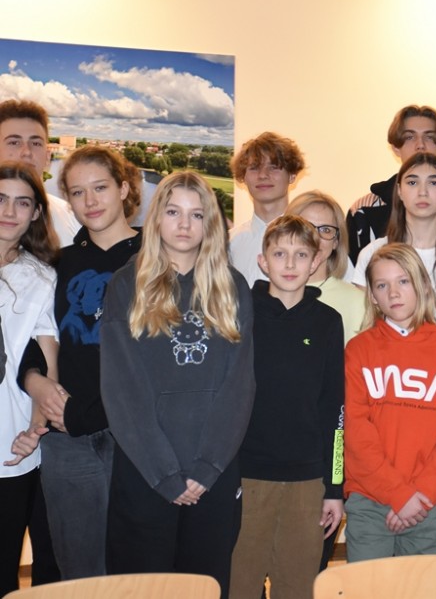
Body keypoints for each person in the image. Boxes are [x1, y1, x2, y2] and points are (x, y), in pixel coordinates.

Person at [100, 171, 255, 596]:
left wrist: (208, 468)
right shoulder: (125, 285)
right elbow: (123, 391)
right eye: (173, 212)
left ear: (211, 224)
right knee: (142, 589)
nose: (184, 224)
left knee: (204, 588)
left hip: (213, 475)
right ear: (156, 219)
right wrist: (164, 474)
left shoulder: (233, 287)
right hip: (145, 472)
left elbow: (239, 388)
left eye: (196, 214)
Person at [16, 146, 141, 580]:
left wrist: (86, 415)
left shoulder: (157, 258)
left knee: (137, 571)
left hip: (137, 437)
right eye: (77, 192)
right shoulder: (58, 264)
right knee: (79, 571)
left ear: (123, 188)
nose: (90, 201)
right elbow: (33, 340)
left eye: (100, 188)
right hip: (68, 439)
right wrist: (34, 379)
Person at [229, 215, 345, 598]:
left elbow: (335, 411)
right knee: (239, 585)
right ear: (263, 261)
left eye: (301, 255)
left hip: (307, 484)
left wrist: (334, 488)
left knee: (297, 588)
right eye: (280, 254)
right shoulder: (242, 315)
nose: (290, 264)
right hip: (247, 477)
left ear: (316, 261)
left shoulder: (328, 322)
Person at [343, 243, 436, 561]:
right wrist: (399, 495)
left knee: (419, 585)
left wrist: (420, 495)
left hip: (429, 500)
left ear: (422, 285)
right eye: (382, 285)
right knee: (368, 586)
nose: (393, 293)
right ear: (372, 296)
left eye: (403, 281)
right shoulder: (358, 350)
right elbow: (356, 433)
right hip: (370, 499)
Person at [0, 163, 59, 595]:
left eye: (22, 203)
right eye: (0, 199)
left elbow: (48, 360)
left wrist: (36, 428)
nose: (9, 211)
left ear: (36, 212)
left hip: (11, 447)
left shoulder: (42, 278)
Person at [351, 154, 436, 337]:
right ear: (399, 191)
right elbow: (362, 330)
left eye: (434, 183)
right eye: (412, 183)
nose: (423, 192)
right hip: (385, 354)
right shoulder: (372, 253)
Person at [346, 105, 436, 263]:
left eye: (429, 137)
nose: (420, 145)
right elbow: (353, 272)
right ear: (396, 148)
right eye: (409, 137)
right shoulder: (363, 210)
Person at [0, 99, 81, 247]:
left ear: (47, 157)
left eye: (36, 143)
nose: (26, 152)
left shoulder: (73, 218)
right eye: (14, 142)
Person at [287, 191, 365, 342]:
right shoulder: (267, 296)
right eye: (306, 227)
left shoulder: (357, 302)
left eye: (326, 230)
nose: (315, 238)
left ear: (336, 242)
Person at [229, 131, 305, 285]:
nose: (263, 175)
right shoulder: (229, 243)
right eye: (254, 168)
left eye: (274, 167)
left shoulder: (312, 238)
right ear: (243, 177)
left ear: (292, 175)